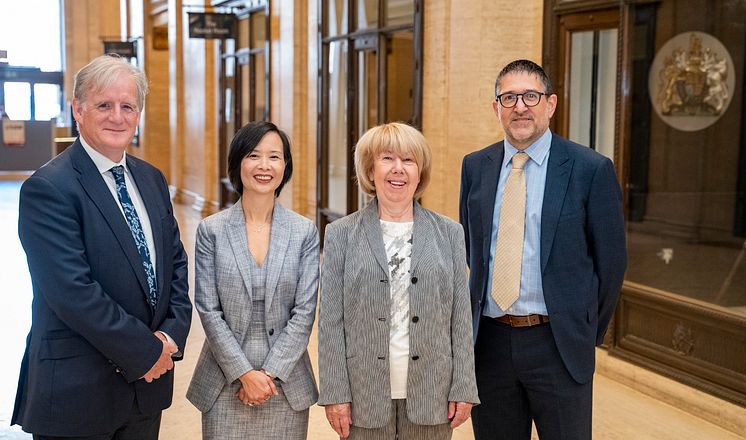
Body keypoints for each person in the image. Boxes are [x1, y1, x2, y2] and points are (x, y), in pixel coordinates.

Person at [11, 54, 192, 439]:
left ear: (139, 113)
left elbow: (175, 264)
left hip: (146, 392)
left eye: (128, 106)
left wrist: (170, 338)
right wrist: (146, 352)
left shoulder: (151, 179)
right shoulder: (49, 189)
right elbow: (72, 293)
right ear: (77, 109)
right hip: (78, 395)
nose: (117, 117)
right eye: (104, 105)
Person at [459, 59, 627, 440]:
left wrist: (583, 329)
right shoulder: (475, 167)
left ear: (550, 104)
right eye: (509, 97)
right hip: (490, 345)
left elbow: (611, 264)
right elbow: (473, 250)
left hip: (559, 345)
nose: (520, 106)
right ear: (496, 107)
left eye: (531, 96)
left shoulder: (590, 169)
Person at [318, 122, 479, 440]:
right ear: (369, 168)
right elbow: (330, 323)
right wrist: (335, 392)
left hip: (433, 391)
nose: (398, 169)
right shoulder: (341, 234)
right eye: (387, 158)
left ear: (420, 172)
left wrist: (464, 385)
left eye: (408, 160)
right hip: (363, 392)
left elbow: (461, 317)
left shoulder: (448, 233)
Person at [186, 121, 319, 440]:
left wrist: (268, 375)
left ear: (285, 166)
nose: (264, 166)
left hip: (284, 385)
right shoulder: (212, 231)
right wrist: (244, 374)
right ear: (237, 163)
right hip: (225, 382)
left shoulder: (304, 232)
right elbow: (208, 310)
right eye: (254, 155)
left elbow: (305, 312)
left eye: (274, 157)